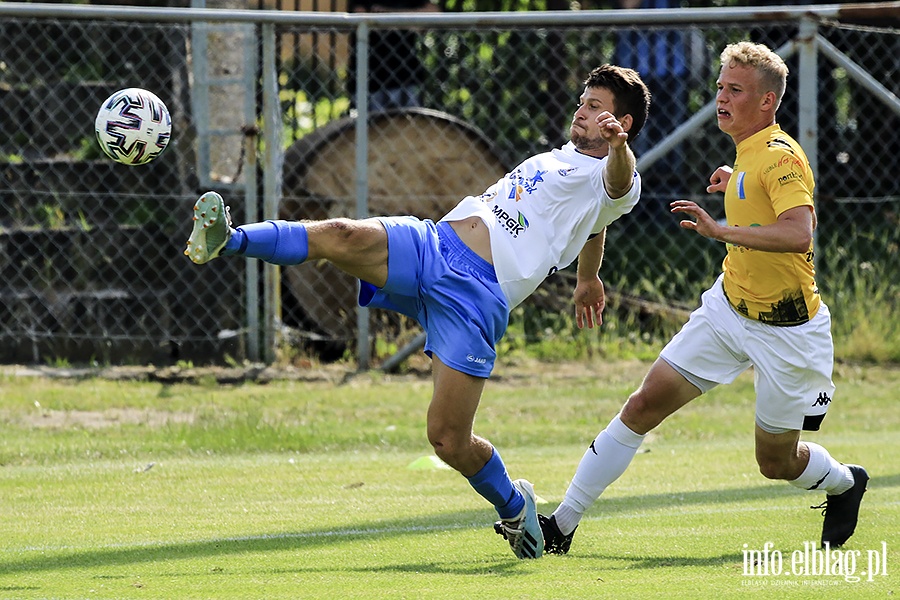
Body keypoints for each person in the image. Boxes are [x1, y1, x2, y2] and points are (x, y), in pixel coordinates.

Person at [184, 65, 651, 560]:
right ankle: (229, 240)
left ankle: (515, 507)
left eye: (595, 106)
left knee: (448, 440)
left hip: (475, 298)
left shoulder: (618, 174)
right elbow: (594, 224)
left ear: (619, 121)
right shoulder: (565, 160)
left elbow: (616, 190)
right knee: (343, 234)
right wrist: (586, 278)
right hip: (435, 244)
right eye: (583, 100)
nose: (581, 110)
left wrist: (619, 147)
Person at [539, 42, 868, 555]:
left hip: (788, 332)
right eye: (720, 86)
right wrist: (736, 184)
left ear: (767, 103)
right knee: (643, 404)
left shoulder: (781, 156)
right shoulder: (750, 152)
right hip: (728, 309)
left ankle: (845, 482)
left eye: (735, 90)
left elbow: (799, 233)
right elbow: (762, 198)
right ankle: (560, 525)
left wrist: (720, 230)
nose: (721, 98)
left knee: (775, 463)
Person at [347, 0, 440, 112]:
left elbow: (432, 14)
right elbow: (362, 21)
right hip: (368, 80)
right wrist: (408, 21)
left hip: (406, 78)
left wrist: (388, 14)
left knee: (410, 125)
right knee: (370, 127)